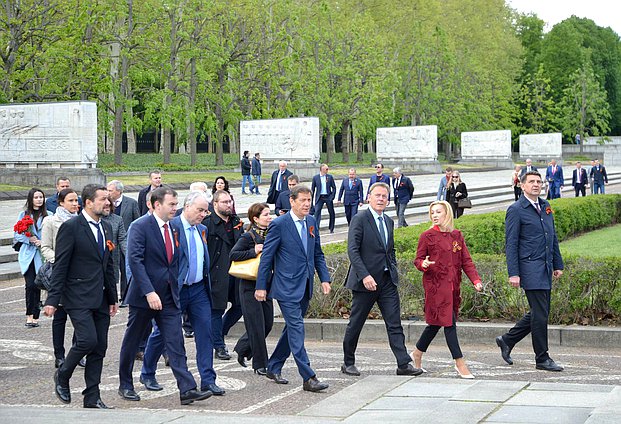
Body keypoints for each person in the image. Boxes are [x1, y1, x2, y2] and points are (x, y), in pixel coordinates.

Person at [119, 186, 213, 405]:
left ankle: (187, 389)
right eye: (171, 204)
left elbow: (175, 261)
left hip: (169, 296)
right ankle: (125, 384)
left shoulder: (174, 228)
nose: (175, 208)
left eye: (175, 204)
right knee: (132, 341)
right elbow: (135, 261)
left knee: (175, 341)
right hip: (144, 296)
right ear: (156, 204)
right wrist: (149, 291)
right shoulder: (140, 226)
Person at [140, 191, 225, 396]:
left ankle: (208, 379)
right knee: (164, 333)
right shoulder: (172, 227)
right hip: (175, 290)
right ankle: (147, 372)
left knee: (205, 332)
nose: (203, 214)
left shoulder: (202, 229)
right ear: (186, 207)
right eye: (200, 210)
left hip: (198, 290)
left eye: (206, 210)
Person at [43, 184, 118, 409]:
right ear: (88, 202)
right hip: (76, 296)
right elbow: (61, 265)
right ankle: (63, 374)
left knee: (100, 347)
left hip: (101, 298)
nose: (108, 203)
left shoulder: (106, 227)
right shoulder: (71, 227)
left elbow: (108, 266)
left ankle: (92, 397)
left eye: (109, 199)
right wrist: (52, 300)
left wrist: (113, 298)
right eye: (103, 199)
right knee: (87, 340)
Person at [342, 182, 423, 377]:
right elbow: (352, 250)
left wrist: (392, 268)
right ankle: (348, 362)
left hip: (387, 281)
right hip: (365, 282)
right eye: (377, 195)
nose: (380, 199)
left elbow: (390, 250)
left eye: (384, 196)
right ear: (369, 197)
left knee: (394, 323)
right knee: (356, 322)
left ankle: (403, 363)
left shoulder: (388, 221)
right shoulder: (360, 219)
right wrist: (365, 275)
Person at [256, 185, 331, 392]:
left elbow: (317, 253)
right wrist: (261, 286)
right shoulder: (279, 224)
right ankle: (308, 377)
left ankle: (274, 366)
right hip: (286, 287)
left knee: (292, 329)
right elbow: (267, 258)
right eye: (303, 200)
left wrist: (325, 278)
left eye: (309, 200)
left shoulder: (312, 221)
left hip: (305, 284)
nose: (307, 204)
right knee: (297, 328)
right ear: (292, 201)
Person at [496, 171, 565, 372]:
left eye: (538, 181)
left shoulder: (545, 206)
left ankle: (507, 340)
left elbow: (552, 237)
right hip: (529, 268)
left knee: (539, 312)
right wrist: (514, 273)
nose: (536, 185)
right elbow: (511, 244)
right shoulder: (516, 209)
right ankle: (542, 358)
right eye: (531, 182)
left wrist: (557, 264)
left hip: (545, 267)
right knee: (541, 314)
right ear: (523, 185)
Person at [412, 201, 483, 378]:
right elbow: (418, 260)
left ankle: (417, 353)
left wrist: (476, 280)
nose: (435, 215)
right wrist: (424, 264)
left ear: (447, 214)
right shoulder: (426, 236)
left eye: (438, 212)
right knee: (449, 324)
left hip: (453, 287)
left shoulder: (456, 235)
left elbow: (466, 260)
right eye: (432, 213)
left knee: (436, 324)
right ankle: (459, 363)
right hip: (435, 287)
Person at [230, 203, 274, 375]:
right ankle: (261, 364)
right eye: (266, 215)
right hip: (249, 286)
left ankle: (242, 347)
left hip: (266, 285)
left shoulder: (271, 234)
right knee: (256, 326)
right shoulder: (248, 236)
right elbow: (233, 255)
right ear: (255, 218)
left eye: (269, 214)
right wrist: (253, 251)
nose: (269, 217)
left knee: (268, 324)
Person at [40, 188, 81, 368]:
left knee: (80, 315)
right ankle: (59, 354)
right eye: (71, 201)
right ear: (61, 202)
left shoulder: (82, 221)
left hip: (79, 275)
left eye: (76, 200)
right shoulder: (51, 221)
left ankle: (76, 352)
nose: (75, 204)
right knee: (60, 316)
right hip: (59, 273)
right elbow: (45, 247)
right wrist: (60, 260)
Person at [203, 190, 244, 360]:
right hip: (216, 272)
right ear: (215, 204)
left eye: (230, 201)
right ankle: (219, 346)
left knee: (240, 306)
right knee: (216, 310)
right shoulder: (207, 223)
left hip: (235, 272)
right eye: (225, 202)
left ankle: (219, 334)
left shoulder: (236, 221)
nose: (229, 205)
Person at [15, 188, 48, 328]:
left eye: (41, 197)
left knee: (38, 284)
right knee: (30, 285)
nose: (39, 200)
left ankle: (36, 315)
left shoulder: (48, 215)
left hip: (42, 255)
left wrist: (42, 241)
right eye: (36, 197)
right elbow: (17, 234)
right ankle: (29, 315)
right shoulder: (23, 215)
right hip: (28, 254)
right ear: (31, 199)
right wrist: (30, 239)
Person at [107, 180, 139, 305]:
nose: (108, 193)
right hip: (112, 243)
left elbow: (137, 220)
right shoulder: (105, 204)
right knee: (113, 270)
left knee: (125, 269)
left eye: (111, 190)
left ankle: (126, 297)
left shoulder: (131, 203)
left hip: (126, 241)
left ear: (119, 191)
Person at [101, 197, 128, 287]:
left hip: (113, 258)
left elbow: (122, 238)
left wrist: (128, 255)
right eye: (105, 207)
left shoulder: (117, 219)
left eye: (109, 206)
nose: (107, 209)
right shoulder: (95, 219)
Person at [311, 164, 337, 233]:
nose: (327, 170)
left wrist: (332, 197)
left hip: (328, 196)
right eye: (326, 169)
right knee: (317, 212)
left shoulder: (330, 177)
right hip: (320, 197)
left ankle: (331, 228)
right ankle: (316, 228)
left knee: (331, 212)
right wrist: (311, 199)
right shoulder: (315, 178)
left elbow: (334, 187)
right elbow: (312, 189)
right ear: (322, 169)